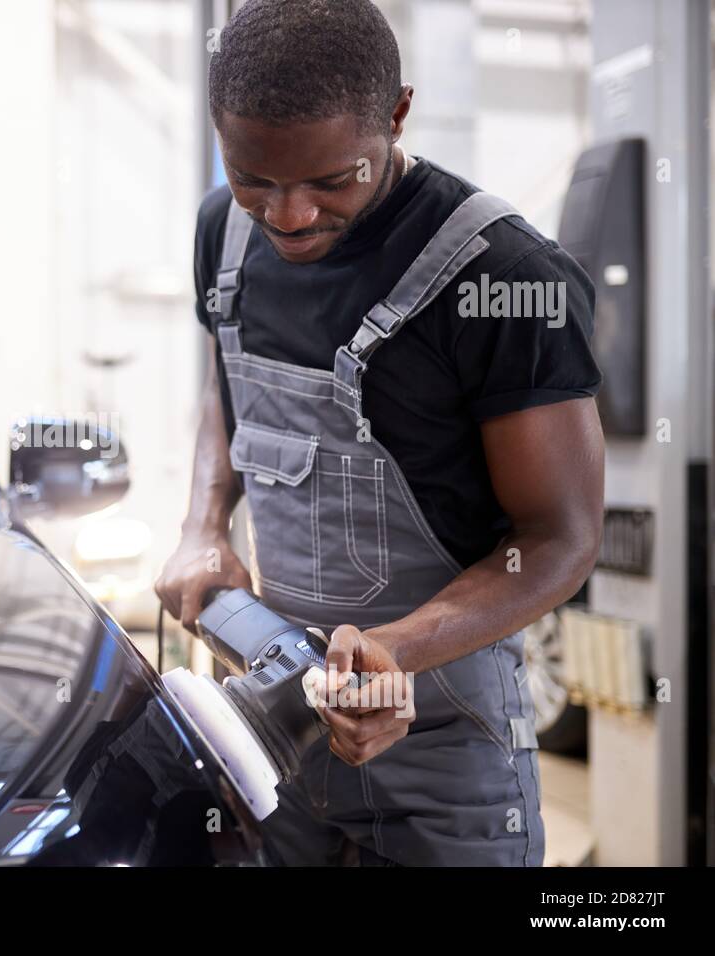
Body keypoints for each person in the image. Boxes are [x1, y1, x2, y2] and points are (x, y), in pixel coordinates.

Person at [154, 0, 604, 866]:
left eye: (330, 181)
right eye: (255, 177)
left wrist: (397, 650)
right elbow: (229, 385)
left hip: (445, 743)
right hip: (268, 725)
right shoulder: (222, 232)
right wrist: (204, 526)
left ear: (396, 114)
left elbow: (561, 538)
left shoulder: (503, 277)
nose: (286, 215)